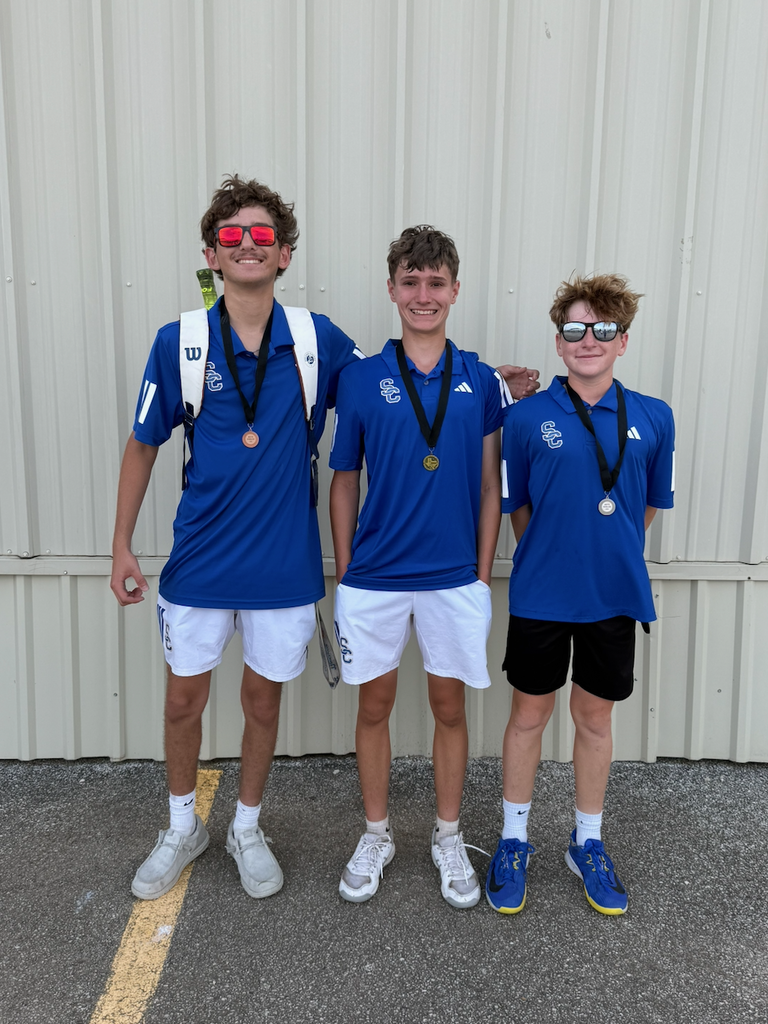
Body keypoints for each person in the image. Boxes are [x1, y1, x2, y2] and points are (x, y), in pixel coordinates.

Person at [110, 175, 366, 900]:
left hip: (284, 564)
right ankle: (182, 824)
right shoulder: (182, 342)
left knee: (262, 701)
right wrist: (121, 544)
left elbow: (395, 396)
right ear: (211, 255)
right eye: (232, 236)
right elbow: (142, 445)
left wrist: (486, 387)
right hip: (199, 559)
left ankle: (247, 826)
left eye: (262, 235)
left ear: (285, 254)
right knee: (181, 701)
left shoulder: (317, 341)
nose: (248, 245)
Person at [329, 225, 511, 908]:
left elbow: (491, 485)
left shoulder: (482, 381)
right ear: (392, 289)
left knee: (447, 706)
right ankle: (377, 832)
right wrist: (347, 573)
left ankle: (446, 833)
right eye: (411, 281)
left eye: (436, 283)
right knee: (374, 706)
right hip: (375, 578)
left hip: (453, 579)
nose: (423, 294)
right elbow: (343, 478)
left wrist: (480, 572)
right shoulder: (361, 378)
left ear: (455, 290)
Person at [485, 273, 674, 916]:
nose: (587, 340)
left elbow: (645, 507)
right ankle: (514, 839)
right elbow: (518, 508)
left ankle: (586, 839)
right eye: (574, 329)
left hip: (613, 594)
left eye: (602, 330)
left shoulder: (654, 416)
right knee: (529, 716)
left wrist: (605, 548)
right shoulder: (526, 419)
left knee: (594, 719)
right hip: (542, 594)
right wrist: (555, 553)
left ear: (622, 341)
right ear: (559, 343)